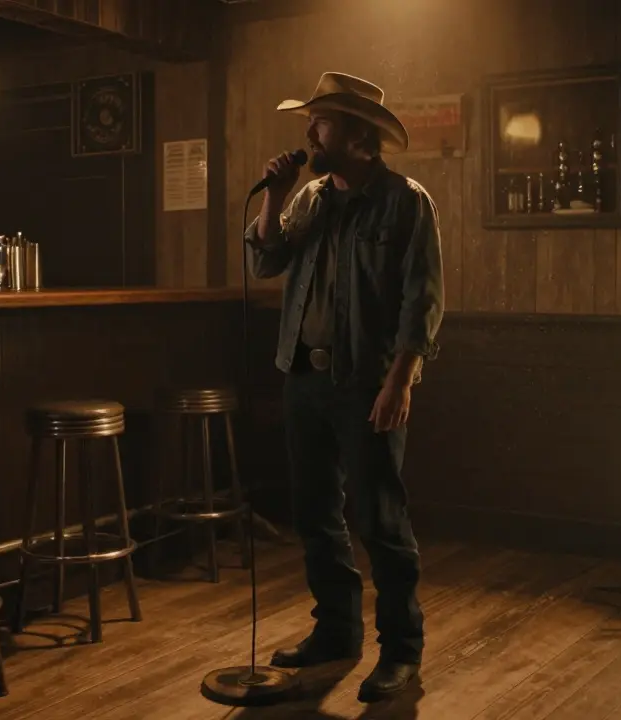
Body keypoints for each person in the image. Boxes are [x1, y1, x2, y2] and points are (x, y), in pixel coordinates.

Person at [243, 72, 444, 702]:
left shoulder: (406, 202)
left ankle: (401, 650)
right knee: (314, 513)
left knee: (380, 519)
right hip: (303, 376)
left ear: (358, 136)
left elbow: (423, 299)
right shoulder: (309, 197)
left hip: (365, 382)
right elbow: (265, 260)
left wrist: (400, 381)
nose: (309, 134)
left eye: (321, 123)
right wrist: (275, 198)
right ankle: (336, 631)